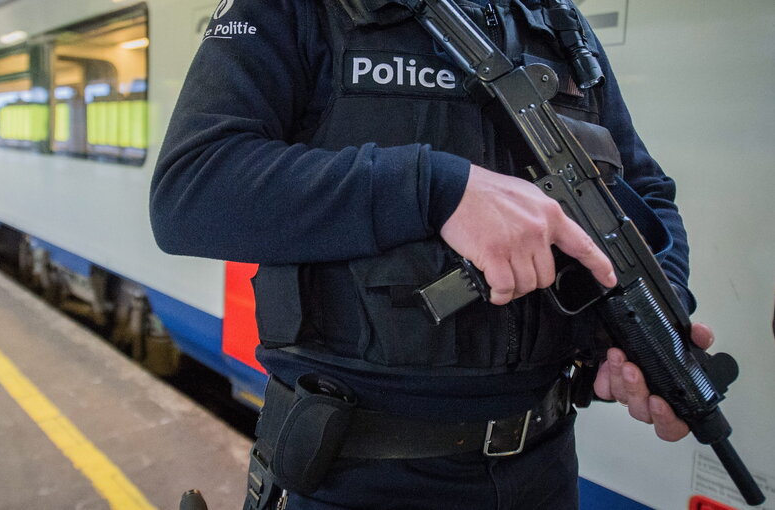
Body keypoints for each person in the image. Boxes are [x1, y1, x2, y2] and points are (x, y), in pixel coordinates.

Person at [151, 0, 714, 508]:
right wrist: (436, 191)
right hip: (356, 475)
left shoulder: (557, 23)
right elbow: (191, 189)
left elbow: (644, 192)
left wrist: (644, 323)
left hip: (543, 469)